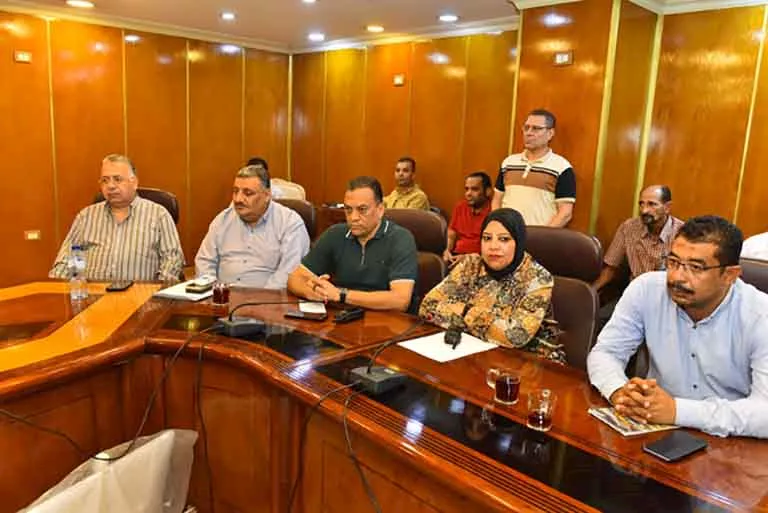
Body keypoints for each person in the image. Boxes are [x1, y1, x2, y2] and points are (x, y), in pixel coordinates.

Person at [587, 216, 768, 438]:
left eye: (696, 267)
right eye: (673, 262)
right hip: (657, 430)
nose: (677, 277)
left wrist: (677, 411)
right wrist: (619, 391)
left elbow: (764, 414)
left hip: (732, 441)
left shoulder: (760, 315)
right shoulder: (646, 289)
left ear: (729, 275)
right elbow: (606, 353)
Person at [419, 209, 566, 363]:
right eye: (487, 238)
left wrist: (465, 311)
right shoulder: (471, 265)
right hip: (476, 352)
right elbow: (428, 307)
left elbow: (515, 337)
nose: (493, 246)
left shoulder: (538, 278)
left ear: (518, 242)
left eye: (504, 239)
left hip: (533, 362)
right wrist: (488, 323)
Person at [288, 176, 418, 312]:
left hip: (386, 320)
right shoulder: (335, 234)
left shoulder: (400, 238)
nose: (353, 217)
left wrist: (341, 295)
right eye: (348, 209)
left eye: (362, 209)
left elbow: (400, 300)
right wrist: (315, 292)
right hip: (343, 317)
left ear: (380, 210)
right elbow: (294, 278)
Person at [49, 154, 183, 282]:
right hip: (94, 294)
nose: (111, 186)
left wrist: (157, 292)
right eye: (105, 180)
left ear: (134, 182)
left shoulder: (159, 215)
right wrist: (56, 289)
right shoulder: (86, 217)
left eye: (117, 179)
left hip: (141, 295)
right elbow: (66, 260)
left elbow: (172, 261)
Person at [195, 165, 310, 288]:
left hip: (268, 297)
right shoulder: (222, 220)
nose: (238, 199)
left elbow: (289, 273)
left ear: (267, 195)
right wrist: (213, 292)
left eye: (248, 193)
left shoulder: (290, 223)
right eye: (235, 191)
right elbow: (204, 261)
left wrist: (261, 297)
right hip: (223, 296)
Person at [491, 109, 576, 227]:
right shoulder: (508, 163)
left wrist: (543, 235)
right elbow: (497, 200)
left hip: (539, 235)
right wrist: (498, 227)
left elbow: (565, 213)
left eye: (536, 128)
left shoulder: (561, 167)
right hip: (508, 234)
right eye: (526, 128)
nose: (528, 133)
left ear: (550, 133)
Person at [593, 185, 683, 291]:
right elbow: (610, 268)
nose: (644, 210)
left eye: (652, 204)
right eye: (641, 204)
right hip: (636, 292)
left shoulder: (682, 233)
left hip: (668, 293)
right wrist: (590, 291)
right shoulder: (629, 228)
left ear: (667, 207)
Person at [443, 172, 493, 266]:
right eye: (466, 189)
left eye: (474, 189)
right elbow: (452, 232)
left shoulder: (494, 211)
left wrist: (468, 257)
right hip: (456, 255)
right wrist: (447, 250)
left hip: (480, 259)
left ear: (488, 191)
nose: (468, 193)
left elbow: (491, 246)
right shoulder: (460, 207)